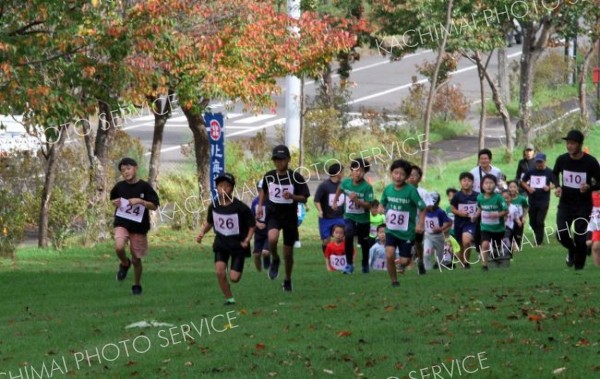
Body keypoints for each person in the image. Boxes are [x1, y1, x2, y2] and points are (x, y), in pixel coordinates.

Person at [196, 173, 255, 305]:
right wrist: (202, 233)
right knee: (219, 272)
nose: (223, 189)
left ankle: (235, 269)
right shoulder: (214, 206)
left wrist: (247, 239)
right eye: (220, 186)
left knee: (234, 278)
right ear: (217, 188)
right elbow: (210, 222)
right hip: (221, 243)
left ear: (232, 188)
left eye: (227, 186)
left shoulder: (240, 207)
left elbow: (252, 225)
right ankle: (229, 298)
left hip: (238, 245)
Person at [257, 145, 310, 291]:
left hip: (290, 217)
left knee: (288, 253)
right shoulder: (269, 176)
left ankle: (287, 279)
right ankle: (275, 258)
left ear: (288, 160)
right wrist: (260, 206)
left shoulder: (295, 177)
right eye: (276, 160)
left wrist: (292, 196)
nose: (279, 163)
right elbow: (263, 191)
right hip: (274, 213)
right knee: (272, 238)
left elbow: (305, 198)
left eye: (282, 159)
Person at [111, 157, 160, 296]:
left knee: (136, 259)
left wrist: (140, 201)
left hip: (139, 227)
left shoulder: (144, 187)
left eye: (128, 169)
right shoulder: (119, 187)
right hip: (122, 222)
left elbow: (155, 205)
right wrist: (115, 202)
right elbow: (113, 199)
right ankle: (125, 263)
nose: (126, 172)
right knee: (119, 246)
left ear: (135, 168)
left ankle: (136, 284)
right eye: (123, 171)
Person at [553, 130, 600, 270]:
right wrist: (557, 186)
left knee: (580, 238)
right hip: (565, 204)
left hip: (583, 206)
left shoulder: (590, 162)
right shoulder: (562, 159)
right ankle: (572, 250)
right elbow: (553, 174)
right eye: (568, 143)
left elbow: (599, 182)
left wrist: (590, 187)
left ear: (580, 144)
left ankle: (578, 269)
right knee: (561, 232)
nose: (569, 146)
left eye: (572, 143)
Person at [379, 159, 425, 287]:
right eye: (396, 173)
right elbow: (382, 202)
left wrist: (420, 224)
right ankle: (394, 281)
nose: (398, 177)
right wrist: (381, 207)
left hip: (407, 232)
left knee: (404, 261)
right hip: (391, 230)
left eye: (402, 174)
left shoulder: (411, 191)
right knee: (389, 255)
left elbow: (423, 207)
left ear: (407, 176)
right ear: (391, 173)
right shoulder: (388, 189)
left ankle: (411, 254)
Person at [332, 158, 374, 274]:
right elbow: (339, 189)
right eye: (355, 170)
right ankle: (349, 264)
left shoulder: (367, 187)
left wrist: (357, 201)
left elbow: (369, 206)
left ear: (365, 172)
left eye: (361, 171)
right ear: (351, 170)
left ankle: (365, 264)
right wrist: (335, 201)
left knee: (364, 243)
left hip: (363, 220)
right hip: (349, 217)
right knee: (349, 235)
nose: (358, 173)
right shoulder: (346, 183)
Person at [521, 153, 558, 246]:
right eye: (537, 162)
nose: (539, 164)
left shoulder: (549, 172)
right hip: (532, 199)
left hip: (544, 200)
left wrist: (549, 187)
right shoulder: (531, 171)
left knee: (540, 220)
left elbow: (556, 183)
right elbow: (523, 182)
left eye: (540, 162)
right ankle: (539, 235)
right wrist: (529, 188)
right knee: (533, 222)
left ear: (545, 161)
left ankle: (539, 242)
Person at [473, 174, 508, 271]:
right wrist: (475, 216)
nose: (489, 185)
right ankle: (484, 265)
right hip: (485, 227)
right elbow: (480, 208)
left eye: (491, 183)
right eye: (486, 183)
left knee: (497, 247)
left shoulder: (499, 198)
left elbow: (506, 211)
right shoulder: (480, 198)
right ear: (482, 185)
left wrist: (497, 214)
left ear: (495, 185)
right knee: (485, 244)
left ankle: (496, 256)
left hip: (498, 228)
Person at [407, 165, 434, 275]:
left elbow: (430, 206)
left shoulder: (423, 192)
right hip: (405, 223)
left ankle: (420, 261)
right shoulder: (401, 190)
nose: (412, 177)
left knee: (418, 243)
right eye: (410, 175)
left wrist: (422, 206)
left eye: (415, 175)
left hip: (419, 221)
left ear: (419, 178)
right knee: (406, 242)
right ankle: (406, 263)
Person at [313, 163, 345, 254]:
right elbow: (316, 200)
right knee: (326, 241)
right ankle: (328, 257)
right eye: (342, 172)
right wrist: (320, 210)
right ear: (337, 173)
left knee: (342, 237)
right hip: (326, 218)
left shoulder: (343, 185)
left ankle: (340, 256)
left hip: (339, 217)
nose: (343, 174)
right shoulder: (324, 185)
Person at [450, 172, 479, 268]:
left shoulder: (477, 196)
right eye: (464, 180)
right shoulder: (457, 196)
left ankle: (466, 262)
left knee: (466, 241)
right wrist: (460, 213)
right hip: (459, 223)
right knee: (460, 246)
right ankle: (463, 263)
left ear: (472, 183)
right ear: (460, 182)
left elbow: (481, 207)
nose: (466, 183)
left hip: (471, 223)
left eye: (469, 181)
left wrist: (476, 214)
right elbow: (452, 209)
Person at [423, 192, 452, 271]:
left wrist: (440, 228)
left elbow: (448, 222)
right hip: (428, 236)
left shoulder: (440, 212)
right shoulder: (424, 211)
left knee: (440, 258)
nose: (431, 206)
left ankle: (440, 268)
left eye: (433, 203)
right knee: (426, 253)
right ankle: (427, 269)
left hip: (438, 237)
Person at [251, 180, 270, 271]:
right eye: (260, 190)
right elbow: (251, 217)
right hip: (258, 231)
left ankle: (267, 259)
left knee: (265, 252)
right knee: (256, 255)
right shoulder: (255, 202)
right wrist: (257, 224)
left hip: (269, 231)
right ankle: (259, 272)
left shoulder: (271, 202)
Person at [507, 180, 528, 251]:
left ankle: (517, 246)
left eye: (514, 187)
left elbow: (526, 207)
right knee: (509, 233)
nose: (512, 189)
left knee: (518, 235)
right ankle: (510, 246)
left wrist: (524, 217)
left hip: (519, 219)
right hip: (509, 220)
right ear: (508, 188)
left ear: (517, 188)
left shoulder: (522, 199)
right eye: (510, 187)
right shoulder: (506, 199)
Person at [502, 190, 519, 257]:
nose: (505, 200)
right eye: (504, 198)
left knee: (508, 240)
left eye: (507, 198)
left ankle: (509, 255)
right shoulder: (499, 207)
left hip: (510, 227)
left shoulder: (514, 208)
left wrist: (518, 221)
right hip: (501, 227)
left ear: (511, 198)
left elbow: (516, 216)